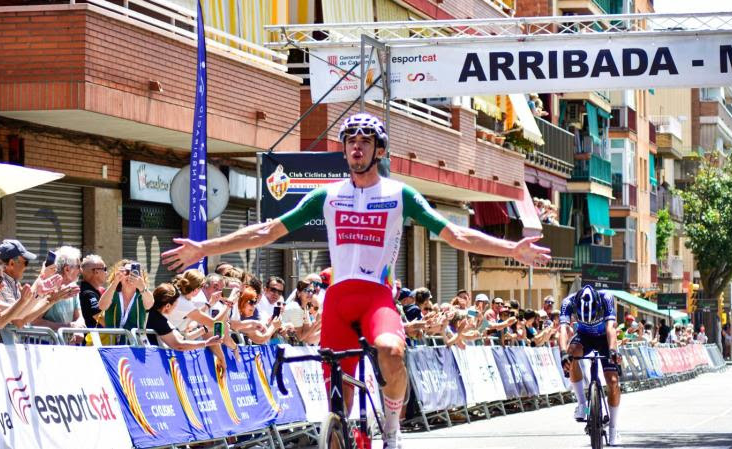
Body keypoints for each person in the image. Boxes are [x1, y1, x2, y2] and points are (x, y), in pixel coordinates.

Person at [161, 112, 550, 449]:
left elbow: (456, 234)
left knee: (391, 351)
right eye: (351, 141)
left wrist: (512, 249)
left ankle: (392, 428)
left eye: (365, 141)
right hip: (338, 300)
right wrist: (203, 247)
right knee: (339, 405)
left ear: (379, 150)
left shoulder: (400, 194)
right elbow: (267, 231)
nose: (357, 147)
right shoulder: (328, 196)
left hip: (376, 298)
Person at [559, 284, 622, 446]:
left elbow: (611, 328)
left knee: (613, 382)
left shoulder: (606, 298)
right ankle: (582, 405)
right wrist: (563, 353)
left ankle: (613, 428)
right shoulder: (568, 302)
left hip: (604, 338)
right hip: (584, 337)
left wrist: (613, 350)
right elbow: (563, 330)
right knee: (571, 355)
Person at [145, 283, 221, 351]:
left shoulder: (155, 314)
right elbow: (178, 345)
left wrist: (203, 331)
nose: (175, 308)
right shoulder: (158, 320)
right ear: (167, 306)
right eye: (175, 305)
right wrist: (206, 343)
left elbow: (183, 338)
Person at [97, 259, 154, 341]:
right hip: (112, 344)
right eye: (127, 272)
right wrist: (115, 282)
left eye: (134, 272)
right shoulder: (113, 293)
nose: (130, 276)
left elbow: (150, 305)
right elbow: (102, 306)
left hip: (136, 343)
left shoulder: (142, 294)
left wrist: (142, 286)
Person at [0, 239, 37, 305]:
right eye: (25, 263)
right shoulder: (0, 284)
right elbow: (18, 311)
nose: (25, 267)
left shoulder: (14, 282)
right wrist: (40, 280)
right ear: (11, 263)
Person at [79, 254, 109, 328]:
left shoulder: (87, 290)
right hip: (91, 335)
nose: (106, 273)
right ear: (96, 272)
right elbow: (100, 318)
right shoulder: (88, 294)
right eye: (105, 269)